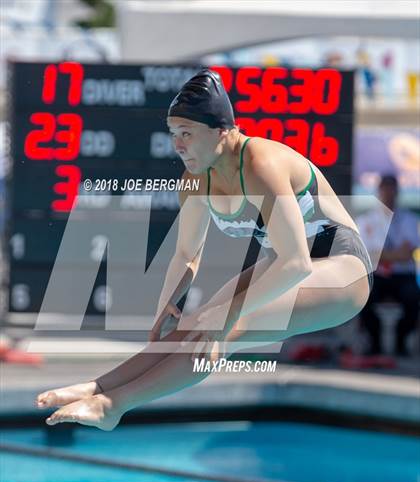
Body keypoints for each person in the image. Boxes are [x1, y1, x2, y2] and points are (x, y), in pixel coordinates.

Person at [35, 69, 373, 430]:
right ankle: (99, 386)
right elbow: (186, 254)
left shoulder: (261, 164)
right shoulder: (195, 180)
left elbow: (296, 264)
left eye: (187, 134)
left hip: (342, 267)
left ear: (222, 131)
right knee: (199, 321)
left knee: (222, 326)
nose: (178, 145)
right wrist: (167, 304)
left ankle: (112, 405)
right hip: (286, 266)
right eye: (174, 135)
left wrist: (226, 315)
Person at [357, 174, 419, 356]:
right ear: (379, 191)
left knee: (413, 298)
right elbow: (367, 254)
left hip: (402, 276)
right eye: (385, 189)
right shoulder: (366, 220)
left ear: (397, 192)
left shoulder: (409, 220)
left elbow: (406, 254)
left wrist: (381, 255)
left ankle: (401, 341)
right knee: (362, 297)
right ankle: (374, 343)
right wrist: (394, 255)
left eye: (392, 189)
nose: (389, 193)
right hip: (377, 275)